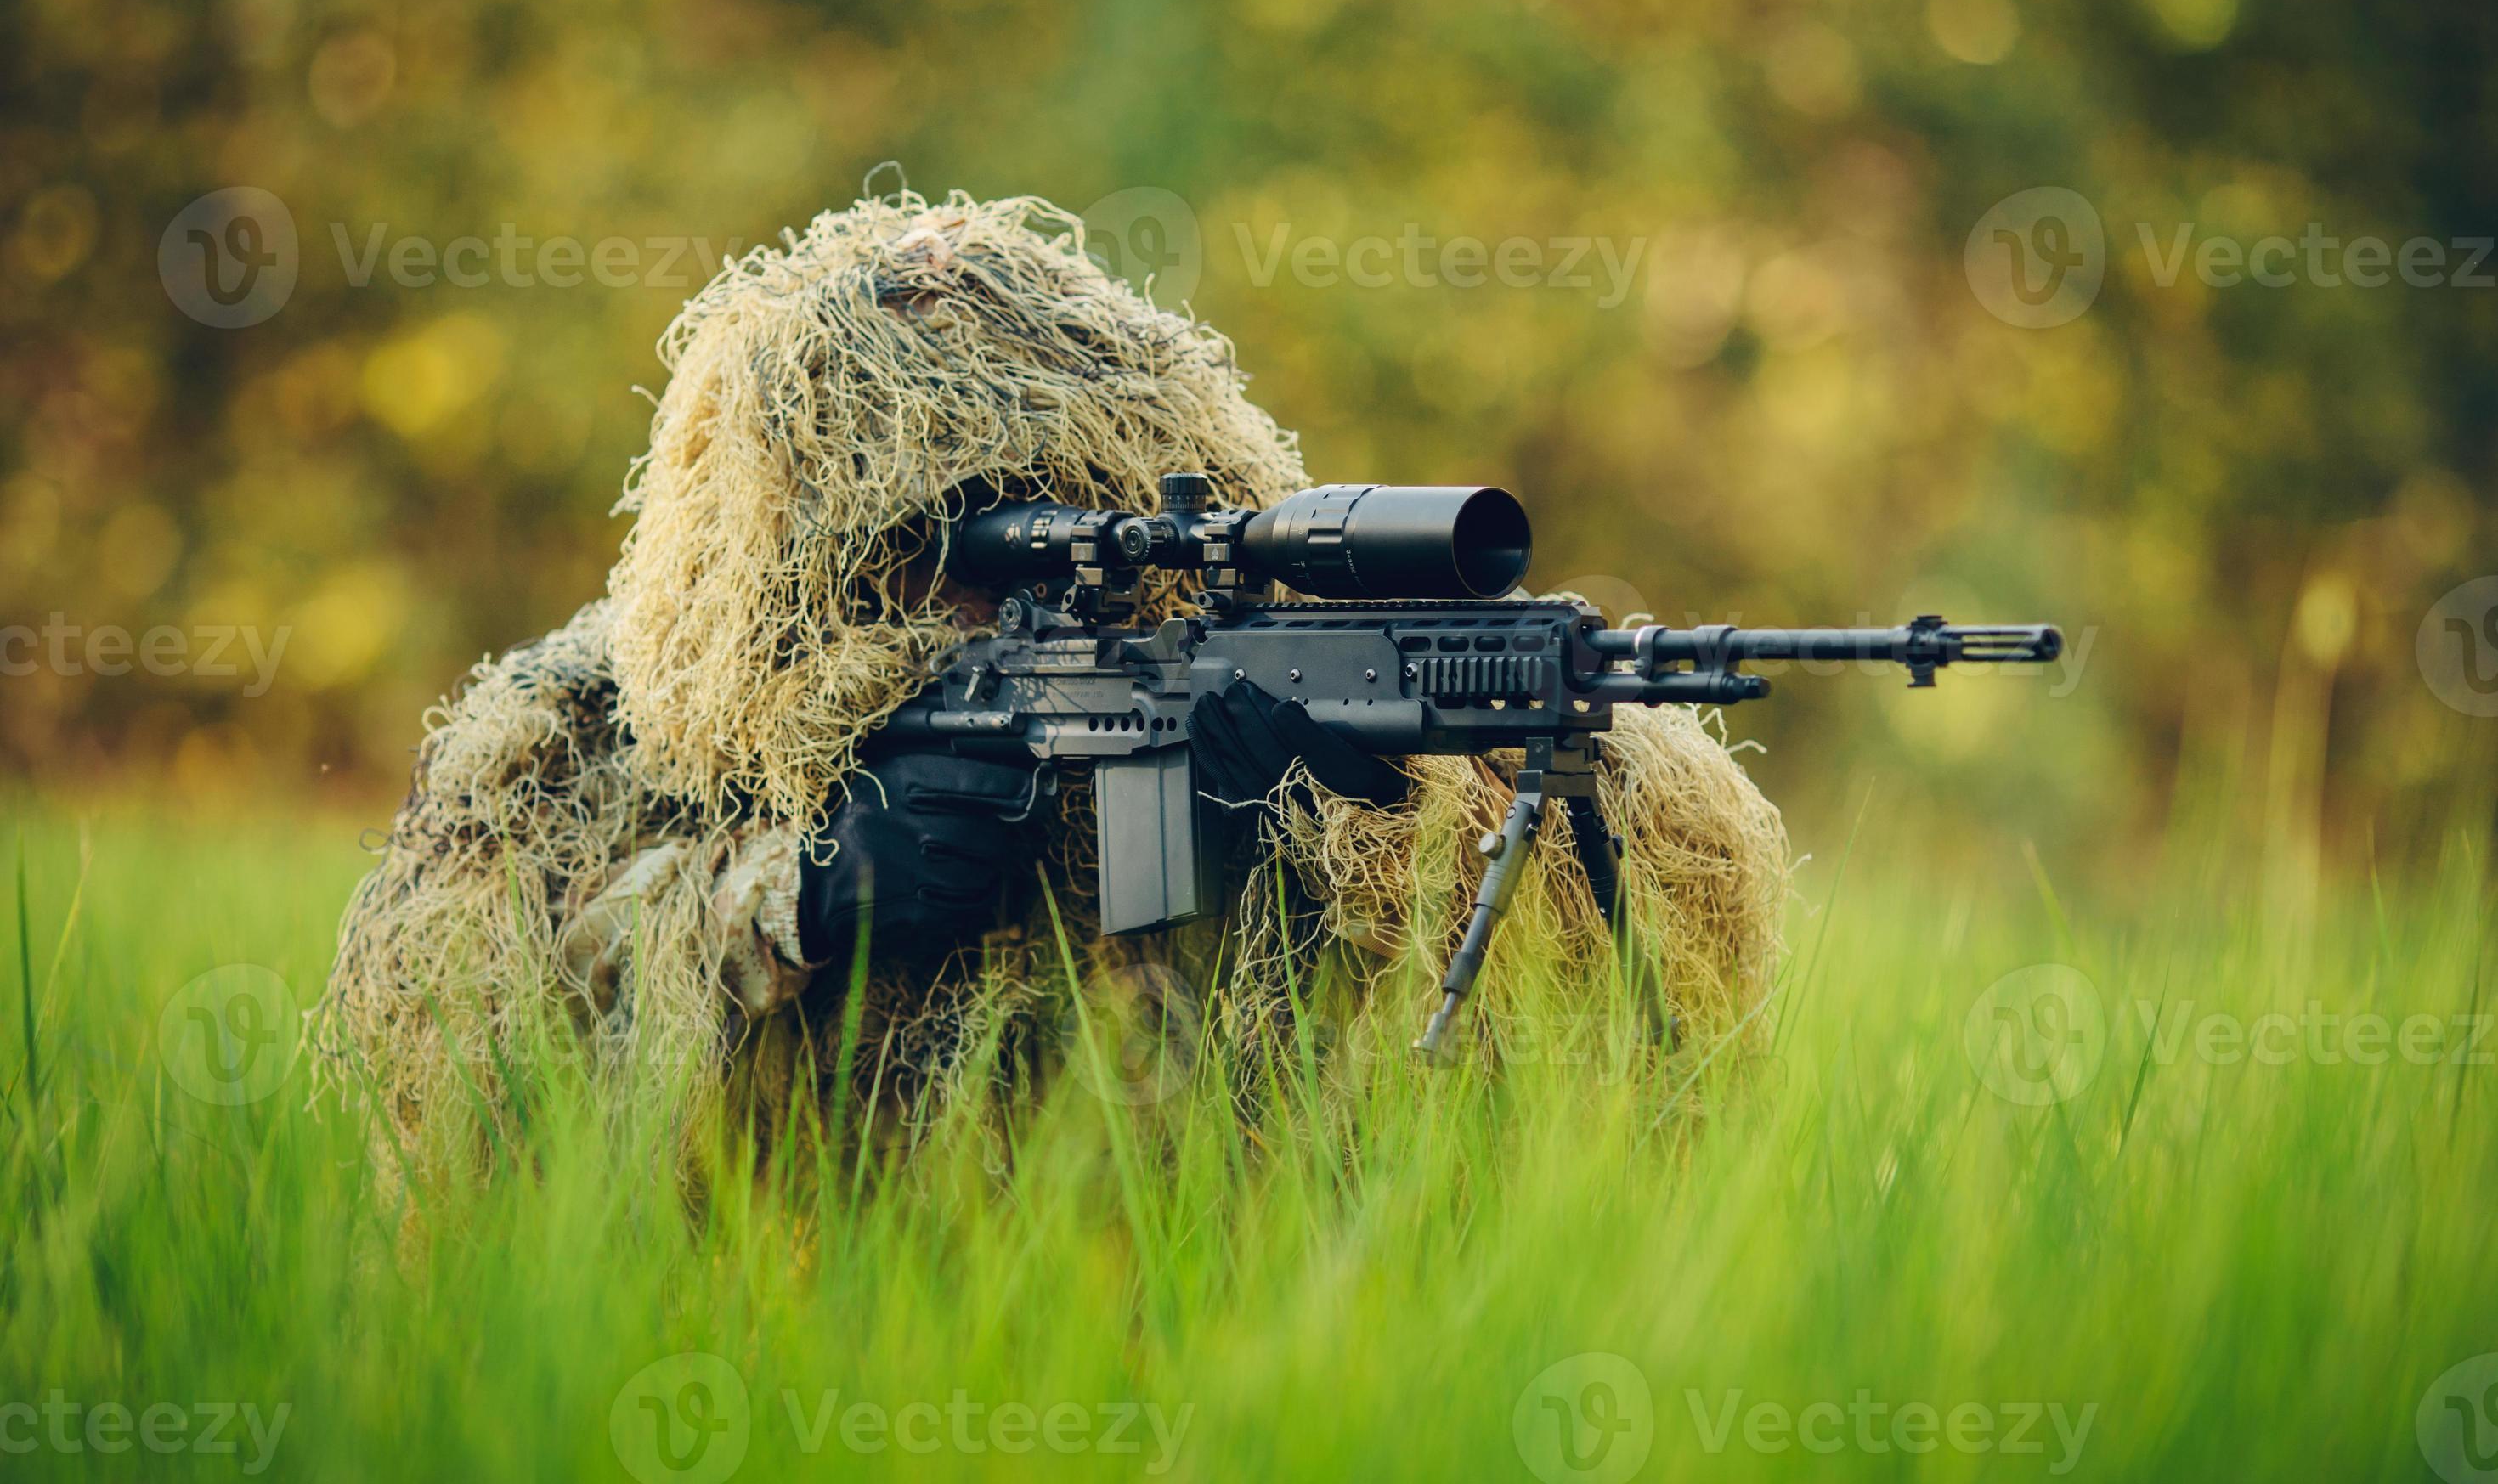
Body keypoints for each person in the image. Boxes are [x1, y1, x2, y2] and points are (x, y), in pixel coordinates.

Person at [319, 189, 1788, 1171]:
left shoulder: (1225, 637)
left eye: (1046, 503)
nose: (980, 604)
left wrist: (1283, 832)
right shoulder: (603, 716)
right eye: (922, 550)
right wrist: (793, 900)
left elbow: (1500, 1056)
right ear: (793, 543)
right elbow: (451, 1052)